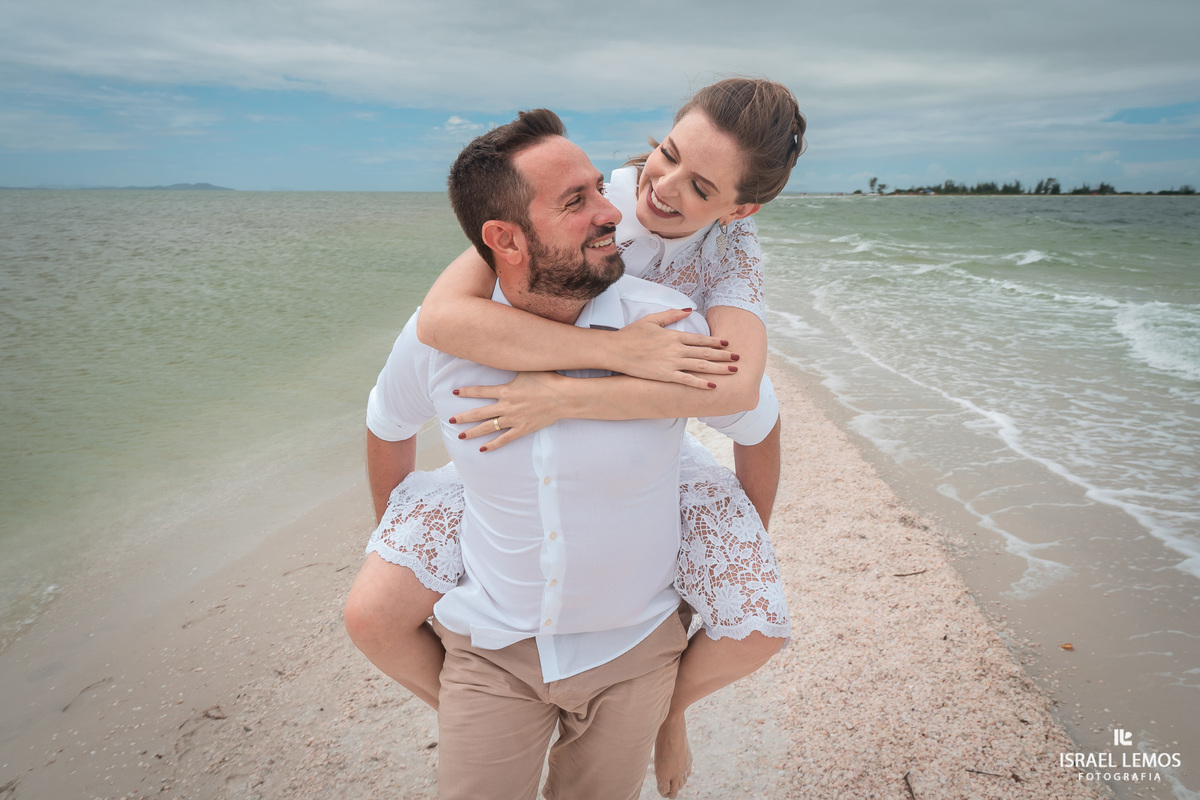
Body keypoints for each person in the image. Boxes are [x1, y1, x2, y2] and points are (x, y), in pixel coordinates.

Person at [347, 78, 805, 798]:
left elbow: (742, 393)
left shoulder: (728, 260)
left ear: (740, 208)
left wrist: (566, 395)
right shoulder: (602, 193)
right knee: (372, 614)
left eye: (702, 185)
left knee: (755, 621)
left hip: (654, 433)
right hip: (576, 396)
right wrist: (620, 351)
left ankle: (666, 710)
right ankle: (493, 716)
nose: (664, 189)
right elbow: (441, 320)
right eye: (668, 154)